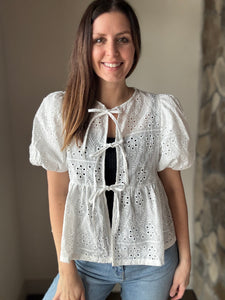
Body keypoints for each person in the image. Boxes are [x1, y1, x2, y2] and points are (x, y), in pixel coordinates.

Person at [29, 0, 194, 299]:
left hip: (153, 259)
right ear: (85, 46)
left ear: (135, 45)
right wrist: (67, 271)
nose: (112, 52)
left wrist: (185, 260)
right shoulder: (60, 111)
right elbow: (58, 193)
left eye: (123, 39)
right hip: (85, 259)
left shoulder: (160, 111)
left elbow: (173, 189)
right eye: (99, 40)